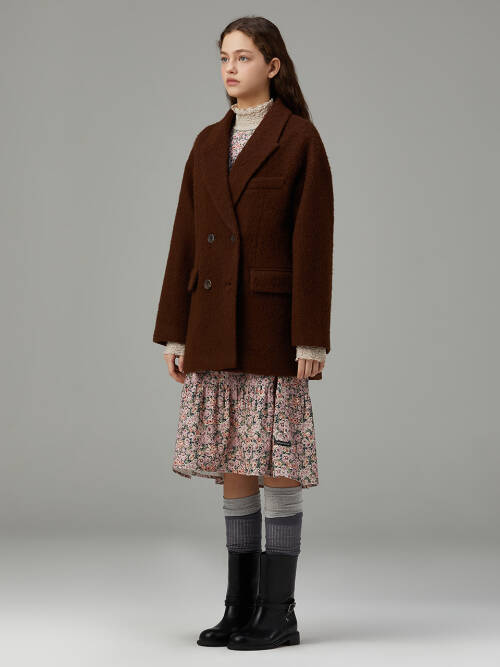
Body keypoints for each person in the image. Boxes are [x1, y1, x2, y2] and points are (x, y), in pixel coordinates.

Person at [152, 16, 334, 651]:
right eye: (224, 58)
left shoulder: (299, 138)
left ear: (273, 66)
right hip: (211, 321)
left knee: (275, 462)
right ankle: (239, 607)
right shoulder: (207, 142)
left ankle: (278, 612)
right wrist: (175, 332)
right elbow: (184, 237)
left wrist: (310, 338)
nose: (231, 68)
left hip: (271, 326)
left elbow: (313, 245)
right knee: (234, 460)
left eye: (245, 57)